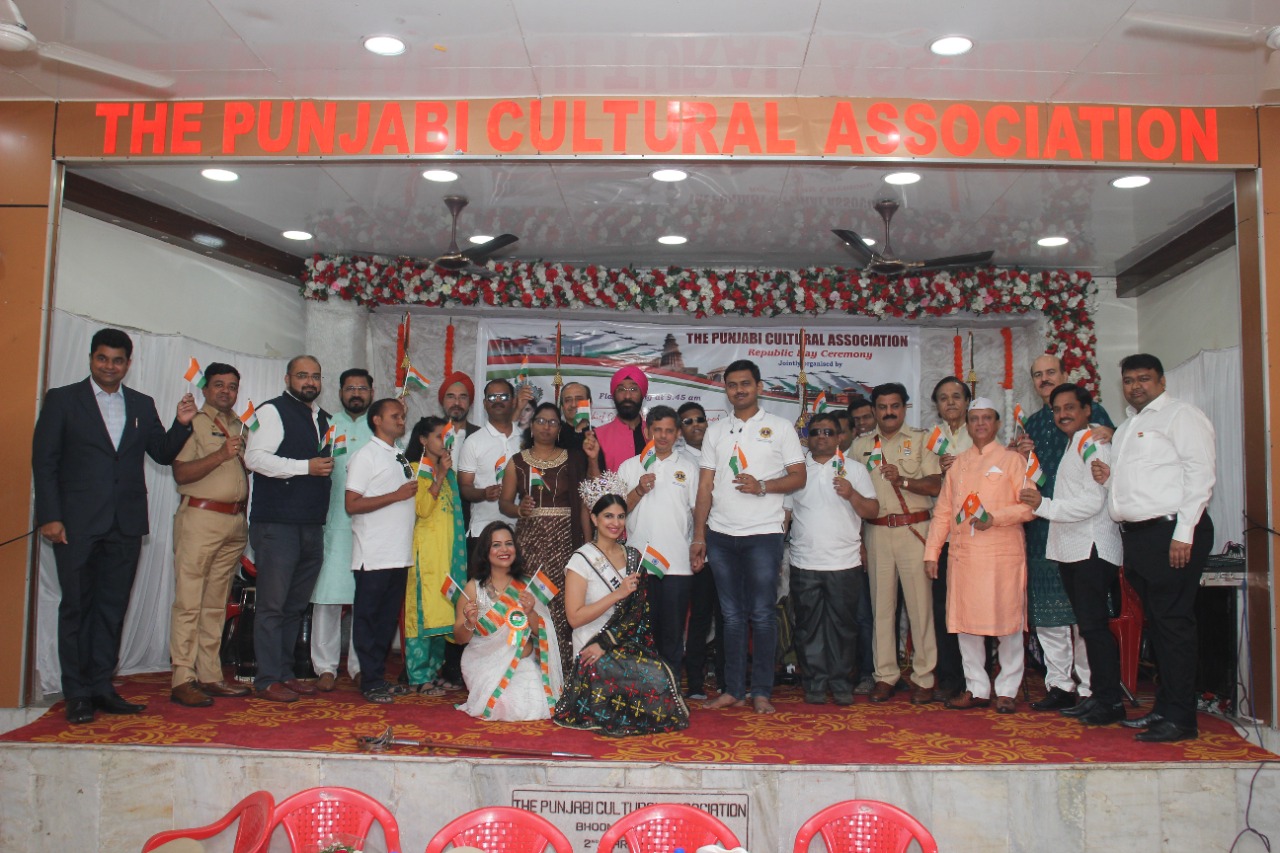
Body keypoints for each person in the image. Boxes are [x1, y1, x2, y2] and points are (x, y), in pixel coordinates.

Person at [33, 328, 196, 724]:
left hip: (125, 524)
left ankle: (102, 687)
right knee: (77, 607)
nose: (110, 366)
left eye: (117, 360)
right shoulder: (62, 400)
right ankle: (77, 693)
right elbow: (45, 461)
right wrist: (50, 517)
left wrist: (181, 424)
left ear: (128, 363)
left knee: (112, 609)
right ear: (91, 359)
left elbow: (161, 453)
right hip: (76, 524)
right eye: (102, 358)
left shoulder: (141, 403)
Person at [1093, 354, 1215, 743]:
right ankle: (1165, 707)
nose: (1136, 386)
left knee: (1174, 624)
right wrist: (1109, 481)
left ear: (1162, 381)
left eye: (1144, 379)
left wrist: (1185, 532)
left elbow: (1200, 474)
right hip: (1140, 537)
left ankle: (1181, 719)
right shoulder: (1128, 427)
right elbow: (1141, 483)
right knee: (1159, 627)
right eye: (1129, 380)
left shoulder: (1181, 415)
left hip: (1171, 533)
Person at [693, 359, 806, 715]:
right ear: (725, 390)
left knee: (762, 614)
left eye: (745, 383)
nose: (739, 390)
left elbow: (799, 476)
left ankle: (761, 691)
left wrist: (763, 487)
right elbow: (705, 487)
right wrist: (699, 536)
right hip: (721, 535)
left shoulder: (780, 427)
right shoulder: (715, 431)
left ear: (759, 387)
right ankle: (732, 690)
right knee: (731, 616)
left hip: (763, 535)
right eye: (732, 385)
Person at [1020, 384, 1126, 726]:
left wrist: (1043, 505)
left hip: (1091, 547)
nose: (1063, 414)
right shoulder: (1076, 443)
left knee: (1093, 628)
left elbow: (1093, 502)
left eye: (1070, 407)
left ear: (1086, 410)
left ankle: (1110, 701)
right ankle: (1098, 697)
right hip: (1073, 549)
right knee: (1088, 627)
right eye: (1057, 409)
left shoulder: (1092, 442)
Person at [924, 398, 1035, 713]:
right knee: (966, 624)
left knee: (1008, 623)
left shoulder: (1013, 461)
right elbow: (943, 512)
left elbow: (1029, 507)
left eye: (987, 418)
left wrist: (994, 518)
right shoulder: (958, 464)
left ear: (997, 424)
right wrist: (932, 552)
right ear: (968, 425)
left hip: (1002, 554)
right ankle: (977, 688)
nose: (981, 424)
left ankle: (1008, 690)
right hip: (964, 556)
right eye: (975, 419)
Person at [553, 485, 690, 736]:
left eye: (620, 516)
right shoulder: (580, 560)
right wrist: (617, 595)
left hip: (624, 639)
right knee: (609, 675)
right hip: (590, 642)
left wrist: (610, 641)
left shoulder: (634, 557)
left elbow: (639, 613)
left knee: (659, 675)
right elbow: (574, 618)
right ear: (594, 518)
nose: (615, 523)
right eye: (608, 516)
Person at [244, 355, 333, 702]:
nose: (310, 382)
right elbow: (254, 458)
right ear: (287, 379)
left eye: (315, 376)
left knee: (296, 606)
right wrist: (304, 467)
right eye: (302, 376)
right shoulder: (271, 411)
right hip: (277, 524)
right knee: (272, 605)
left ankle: (284, 672)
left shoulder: (323, 418)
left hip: (311, 524)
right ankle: (266, 679)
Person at [168, 361, 252, 707]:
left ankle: (210, 674)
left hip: (233, 523)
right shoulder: (195, 421)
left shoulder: (241, 425)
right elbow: (180, 473)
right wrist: (220, 455)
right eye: (219, 385)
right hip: (201, 519)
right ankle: (182, 677)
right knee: (189, 601)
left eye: (232, 386)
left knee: (216, 603)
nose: (226, 391)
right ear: (205, 388)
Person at [851, 382, 941, 705]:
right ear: (874, 410)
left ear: (904, 408)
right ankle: (885, 676)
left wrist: (903, 480)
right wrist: (859, 542)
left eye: (895, 406)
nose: (889, 412)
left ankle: (924, 677)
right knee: (882, 609)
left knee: (920, 608)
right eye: (882, 407)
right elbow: (852, 497)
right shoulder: (860, 446)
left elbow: (935, 485)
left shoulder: (921, 440)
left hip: (913, 530)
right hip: (876, 533)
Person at [785, 412, 879, 705]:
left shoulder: (855, 469)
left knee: (843, 627)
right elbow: (785, 515)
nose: (821, 437)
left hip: (845, 563)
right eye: (815, 432)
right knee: (807, 627)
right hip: (804, 562)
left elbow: (872, 511)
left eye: (828, 432)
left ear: (839, 437)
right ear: (807, 438)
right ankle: (814, 683)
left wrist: (852, 494)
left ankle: (840, 683)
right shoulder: (797, 472)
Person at [500, 401, 595, 674]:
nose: (546, 426)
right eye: (541, 421)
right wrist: (519, 509)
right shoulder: (517, 462)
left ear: (559, 429)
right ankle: (530, 670)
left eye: (553, 422)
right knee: (531, 600)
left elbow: (588, 498)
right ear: (531, 426)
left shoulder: (574, 458)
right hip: (530, 542)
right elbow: (505, 503)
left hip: (565, 541)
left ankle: (563, 670)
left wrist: (589, 546)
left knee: (563, 603)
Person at [617, 405, 700, 680]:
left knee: (672, 633)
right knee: (641, 631)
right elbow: (616, 515)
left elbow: (698, 511)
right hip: (639, 564)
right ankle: (643, 690)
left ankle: (670, 690)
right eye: (657, 430)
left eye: (669, 431)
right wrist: (639, 489)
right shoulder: (629, 466)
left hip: (677, 565)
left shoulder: (689, 467)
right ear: (647, 431)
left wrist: (700, 544)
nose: (663, 436)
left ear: (678, 434)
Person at [344, 399, 418, 704]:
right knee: (369, 619)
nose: (401, 420)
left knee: (386, 621)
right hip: (373, 553)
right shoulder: (366, 456)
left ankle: (377, 676)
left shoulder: (397, 453)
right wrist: (395, 496)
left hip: (398, 553)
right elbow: (352, 504)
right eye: (395, 416)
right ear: (376, 420)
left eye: (402, 416)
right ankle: (370, 680)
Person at [455, 521, 563, 721]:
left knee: (538, 703)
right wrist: (470, 622)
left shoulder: (527, 585)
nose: (504, 550)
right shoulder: (473, 588)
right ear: (485, 551)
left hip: (522, 662)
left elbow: (542, 632)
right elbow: (459, 638)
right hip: (484, 665)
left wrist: (530, 612)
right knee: (502, 706)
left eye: (508, 543)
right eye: (496, 545)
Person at [310, 368, 373, 692]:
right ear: (339, 392)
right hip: (334, 523)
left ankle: (361, 666)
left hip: (372, 526)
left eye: (362, 388)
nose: (356, 393)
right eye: (350, 388)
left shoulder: (382, 426)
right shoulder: (326, 424)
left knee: (366, 597)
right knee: (327, 598)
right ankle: (325, 667)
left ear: (371, 393)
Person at [405, 416, 469, 692]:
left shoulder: (450, 473)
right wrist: (439, 474)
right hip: (425, 556)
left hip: (448, 555)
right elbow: (422, 509)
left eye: (447, 436)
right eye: (439, 436)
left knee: (444, 615)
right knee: (423, 616)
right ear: (423, 440)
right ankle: (418, 677)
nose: (445, 442)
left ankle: (432, 672)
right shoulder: (415, 469)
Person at [927, 375, 973, 700]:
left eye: (956, 396)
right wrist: (940, 473)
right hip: (943, 537)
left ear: (968, 401)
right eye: (944, 398)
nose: (951, 403)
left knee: (975, 607)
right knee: (944, 608)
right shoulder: (932, 439)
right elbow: (923, 483)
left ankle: (977, 679)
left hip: (977, 534)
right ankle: (950, 678)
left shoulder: (982, 432)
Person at [676, 401, 723, 699]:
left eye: (700, 419)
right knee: (700, 615)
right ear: (680, 430)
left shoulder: (722, 451)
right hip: (697, 546)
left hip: (727, 542)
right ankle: (694, 681)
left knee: (728, 615)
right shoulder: (679, 461)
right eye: (688, 421)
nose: (696, 425)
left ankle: (727, 679)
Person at [458, 379, 527, 555]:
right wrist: (483, 493)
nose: (497, 401)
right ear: (484, 403)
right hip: (483, 532)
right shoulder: (473, 442)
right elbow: (464, 487)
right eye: (492, 397)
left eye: (503, 396)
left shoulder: (527, 440)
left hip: (522, 531)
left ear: (514, 401)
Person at [845, 393, 877, 694]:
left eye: (867, 417)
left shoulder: (860, 459)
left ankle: (872, 671)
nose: (862, 425)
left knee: (868, 613)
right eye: (856, 421)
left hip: (873, 538)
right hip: (848, 547)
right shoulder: (849, 455)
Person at [594, 366, 648, 472]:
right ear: (613, 395)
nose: (627, 396)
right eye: (621, 389)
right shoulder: (598, 436)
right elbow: (594, 480)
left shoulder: (656, 433)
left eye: (633, 389)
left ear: (643, 394)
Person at [558, 381, 604, 467]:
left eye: (579, 399)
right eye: (568, 400)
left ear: (590, 403)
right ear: (562, 406)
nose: (573, 404)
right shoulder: (554, 436)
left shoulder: (600, 436)